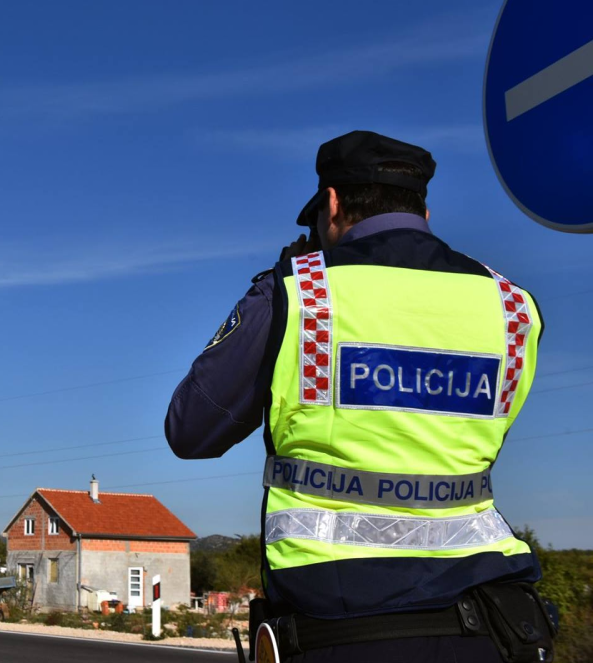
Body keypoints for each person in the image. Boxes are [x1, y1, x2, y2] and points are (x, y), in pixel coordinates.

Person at [165, 131, 556, 662]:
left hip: (336, 621)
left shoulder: (300, 293)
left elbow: (191, 430)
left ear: (331, 203)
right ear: (425, 210)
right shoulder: (513, 306)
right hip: (491, 622)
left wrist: (274, 293)